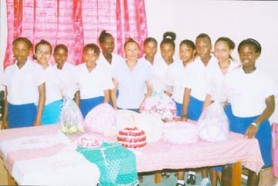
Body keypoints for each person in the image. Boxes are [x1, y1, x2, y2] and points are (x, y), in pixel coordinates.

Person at [222, 38, 277, 186]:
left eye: (250, 53)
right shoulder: (232, 75)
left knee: (255, 167)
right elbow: (225, 99)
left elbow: (271, 106)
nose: (246, 56)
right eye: (243, 53)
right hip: (235, 122)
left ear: (257, 54)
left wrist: (256, 123)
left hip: (257, 124)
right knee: (229, 164)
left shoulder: (265, 79)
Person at [202, 37, 240, 186]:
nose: (220, 53)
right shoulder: (211, 69)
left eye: (223, 50)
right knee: (215, 146)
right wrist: (204, 114)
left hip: (233, 111)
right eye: (217, 50)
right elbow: (209, 93)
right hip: (216, 111)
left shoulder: (238, 68)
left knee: (230, 149)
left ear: (230, 50)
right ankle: (213, 182)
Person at [181, 33, 217, 186]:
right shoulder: (192, 66)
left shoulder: (218, 63)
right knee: (194, 141)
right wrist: (184, 112)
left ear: (211, 46)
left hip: (214, 106)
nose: (202, 49)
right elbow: (187, 91)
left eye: (205, 45)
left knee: (210, 142)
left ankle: (207, 177)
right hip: (195, 104)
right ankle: (192, 171)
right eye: (199, 46)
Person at [168, 39, 195, 186]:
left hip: (193, 106)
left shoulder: (197, 67)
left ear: (193, 51)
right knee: (180, 141)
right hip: (178, 105)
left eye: (187, 50)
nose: (183, 53)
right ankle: (180, 179)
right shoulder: (174, 67)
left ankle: (192, 171)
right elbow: (170, 87)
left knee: (192, 141)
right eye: (181, 50)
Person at [2, 37, 45, 128]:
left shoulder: (36, 69)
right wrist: (4, 118)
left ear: (29, 51)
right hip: (12, 111)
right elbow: (7, 96)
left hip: (28, 111)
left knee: (29, 140)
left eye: (23, 50)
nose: (19, 53)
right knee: (13, 140)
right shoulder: (8, 70)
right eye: (16, 49)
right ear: (13, 50)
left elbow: (42, 95)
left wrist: (38, 119)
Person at [111, 38, 152, 112]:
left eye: (135, 49)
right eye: (129, 50)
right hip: (122, 107)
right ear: (125, 52)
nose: (132, 52)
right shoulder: (118, 68)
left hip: (139, 107)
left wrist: (143, 105)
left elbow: (150, 90)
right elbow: (113, 91)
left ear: (139, 51)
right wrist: (115, 108)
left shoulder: (145, 67)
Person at [75, 43, 113, 118]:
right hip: (84, 104)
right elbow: (77, 92)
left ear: (97, 57)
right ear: (83, 55)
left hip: (99, 103)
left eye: (93, 55)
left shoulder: (104, 70)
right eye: (87, 54)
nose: (90, 58)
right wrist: (76, 109)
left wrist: (103, 110)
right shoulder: (77, 69)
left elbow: (107, 94)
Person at [34, 39, 63, 125]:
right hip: (37, 107)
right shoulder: (32, 70)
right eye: (40, 52)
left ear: (50, 55)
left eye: (46, 52)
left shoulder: (56, 71)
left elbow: (62, 89)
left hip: (54, 106)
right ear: (35, 54)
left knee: (55, 133)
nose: (43, 55)